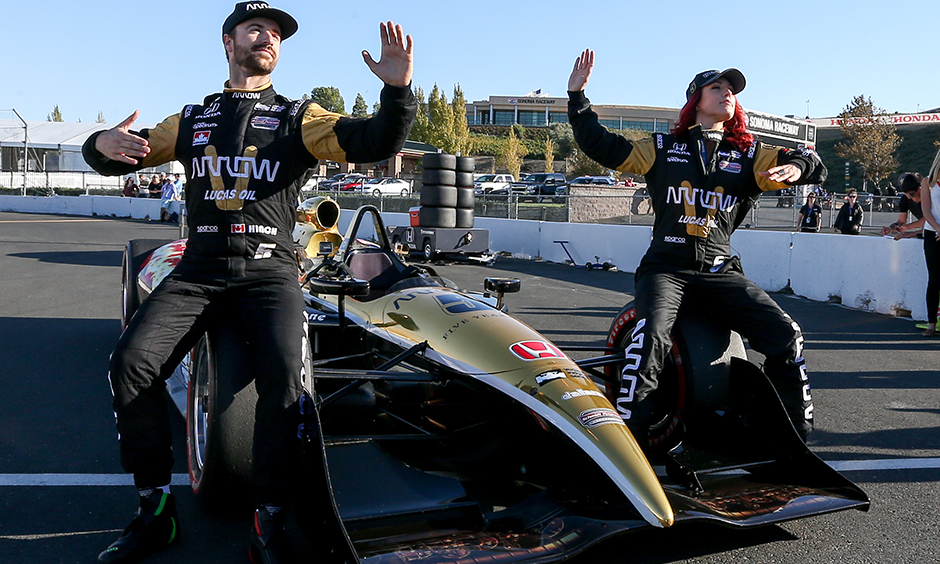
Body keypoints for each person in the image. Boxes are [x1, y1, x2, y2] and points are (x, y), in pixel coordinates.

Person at [81, 3, 416, 563]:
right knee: (130, 363)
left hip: (270, 272)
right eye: (255, 28)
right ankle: (154, 512)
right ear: (227, 41)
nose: (268, 38)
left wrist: (398, 92)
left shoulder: (301, 116)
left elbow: (374, 142)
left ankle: (272, 521)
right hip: (200, 269)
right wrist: (100, 146)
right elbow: (124, 154)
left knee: (286, 382)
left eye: (277, 33)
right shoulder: (191, 118)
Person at [566, 50, 822, 449]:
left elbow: (811, 161)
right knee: (650, 338)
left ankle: (791, 438)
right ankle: (630, 443)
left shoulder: (751, 154)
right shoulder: (662, 148)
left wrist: (798, 169)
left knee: (786, 334)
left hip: (721, 269)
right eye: (716, 87)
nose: (727, 95)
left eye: (732, 90)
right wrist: (578, 98)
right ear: (695, 100)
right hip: (666, 267)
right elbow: (602, 145)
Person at [919, 155, 940, 337]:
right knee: (934, 279)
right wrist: (938, 228)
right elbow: (926, 210)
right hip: (932, 234)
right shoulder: (928, 182)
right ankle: (931, 323)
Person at [881, 173, 925, 239]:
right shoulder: (905, 199)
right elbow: (901, 222)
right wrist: (890, 228)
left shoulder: (931, 198)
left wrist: (909, 229)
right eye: (905, 193)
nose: (908, 196)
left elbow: (929, 220)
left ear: (920, 189)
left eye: (911, 193)